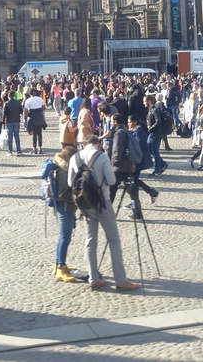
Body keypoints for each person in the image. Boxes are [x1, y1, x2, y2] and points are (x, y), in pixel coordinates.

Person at [67, 136, 139, 291]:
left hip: (85, 203)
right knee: (113, 240)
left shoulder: (75, 158)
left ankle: (93, 278)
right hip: (102, 202)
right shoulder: (101, 156)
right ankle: (121, 280)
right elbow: (112, 180)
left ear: (84, 144)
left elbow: (69, 182)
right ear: (98, 144)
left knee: (90, 240)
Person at [48, 146, 80, 282]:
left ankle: (59, 264)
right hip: (65, 207)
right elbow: (63, 194)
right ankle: (60, 268)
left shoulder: (63, 168)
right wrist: (78, 197)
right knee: (65, 238)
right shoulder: (64, 171)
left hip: (65, 207)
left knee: (64, 237)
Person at [24, 90, 47, 155]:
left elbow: (26, 111)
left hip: (33, 115)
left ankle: (34, 149)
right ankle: (40, 148)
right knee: (40, 133)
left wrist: (29, 115)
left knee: (34, 133)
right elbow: (44, 107)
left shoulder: (28, 100)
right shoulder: (40, 99)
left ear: (30, 93)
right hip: (40, 116)